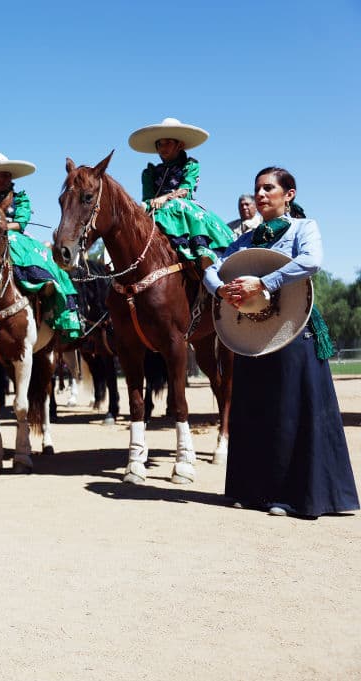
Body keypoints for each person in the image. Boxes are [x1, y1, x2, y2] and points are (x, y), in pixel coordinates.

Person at [204, 167, 358, 518]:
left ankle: (292, 497)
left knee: (290, 414)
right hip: (253, 334)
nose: (260, 194)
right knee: (254, 411)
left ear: (288, 194)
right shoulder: (245, 240)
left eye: (268, 188)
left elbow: (311, 262)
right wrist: (220, 288)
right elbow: (213, 267)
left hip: (294, 330)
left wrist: (264, 283)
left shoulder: (305, 227)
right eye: (257, 189)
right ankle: (253, 491)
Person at [0, 152, 82, 343]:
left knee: (33, 254)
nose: (2, 179)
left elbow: (22, 221)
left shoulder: (21, 197)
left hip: (14, 237)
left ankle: (44, 286)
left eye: (5, 175)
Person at [128, 117, 235, 273]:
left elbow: (186, 190)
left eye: (168, 143)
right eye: (159, 144)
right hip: (155, 210)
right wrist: (149, 205)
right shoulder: (150, 173)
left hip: (182, 207)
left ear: (180, 145)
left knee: (176, 204)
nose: (162, 148)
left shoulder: (190, 165)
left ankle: (201, 253)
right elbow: (148, 199)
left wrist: (165, 198)